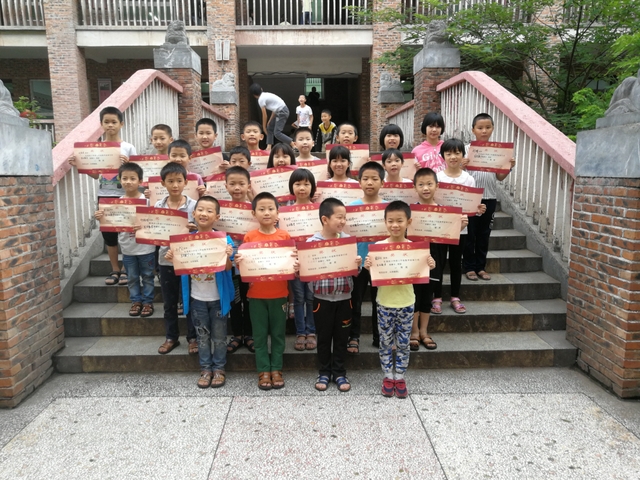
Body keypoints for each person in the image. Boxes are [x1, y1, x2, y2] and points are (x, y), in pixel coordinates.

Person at [364, 201, 436, 398]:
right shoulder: (378, 248)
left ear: (408, 222)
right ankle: (388, 375)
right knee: (385, 342)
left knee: (404, 343)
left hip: (406, 303)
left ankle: (400, 376)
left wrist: (430, 263)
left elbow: (423, 270)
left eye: (399, 221)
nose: (395, 225)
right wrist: (368, 266)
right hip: (384, 303)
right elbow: (374, 274)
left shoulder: (415, 249)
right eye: (390, 221)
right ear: (385, 222)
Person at [165, 196, 235, 389]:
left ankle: (219, 368)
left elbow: (228, 268)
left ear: (217, 216)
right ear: (194, 213)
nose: (204, 214)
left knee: (219, 337)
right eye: (201, 210)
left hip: (218, 299)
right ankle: (205, 368)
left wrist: (228, 256)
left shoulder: (224, 239)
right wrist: (172, 258)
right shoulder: (186, 241)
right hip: (197, 299)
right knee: (202, 336)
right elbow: (181, 266)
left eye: (210, 211)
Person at [235, 192, 298, 390]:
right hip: (256, 295)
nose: (267, 212)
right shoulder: (250, 237)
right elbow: (245, 267)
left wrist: (295, 264)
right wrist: (239, 262)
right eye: (261, 209)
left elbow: (291, 266)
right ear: (254, 213)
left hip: (279, 294)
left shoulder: (284, 236)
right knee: (259, 335)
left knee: (278, 334)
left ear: (278, 213)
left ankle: (276, 368)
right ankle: (263, 370)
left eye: (271, 208)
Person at [68, 106, 136, 286]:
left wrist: (128, 163)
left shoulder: (128, 147)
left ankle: (127, 269)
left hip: (126, 196)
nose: (110, 125)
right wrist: (80, 164)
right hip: (105, 196)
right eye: (107, 122)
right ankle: (115, 269)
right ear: (101, 125)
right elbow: (95, 175)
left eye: (114, 122)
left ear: (121, 124)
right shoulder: (96, 149)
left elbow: (138, 173)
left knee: (128, 234)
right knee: (109, 236)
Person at [409, 167, 468, 350]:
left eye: (429, 184)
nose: (425, 188)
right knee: (414, 296)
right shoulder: (410, 211)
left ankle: (424, 331)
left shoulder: (444, 212)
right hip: (414, 260)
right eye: (421, 184)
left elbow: (449, 237)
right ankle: (414, 332)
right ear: (414, 187)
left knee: (428, 296)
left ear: (437, 186)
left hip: (436, 259)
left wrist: (459, 227)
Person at [308, 198, 362, 392]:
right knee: (323, 337)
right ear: (325, 219)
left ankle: (339, 372)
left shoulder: (348, 241)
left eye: (345, 217)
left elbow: (356, 272)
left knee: (341, 338)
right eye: (339, 217)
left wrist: (358, 264)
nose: (343, 221)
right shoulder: (312, 244)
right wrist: (299, 267)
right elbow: (305, 273)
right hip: (321, 300)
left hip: (344, 299)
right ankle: (324, 371)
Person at [433, 139, 486, 316]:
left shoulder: (468, 179)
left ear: (463, 155)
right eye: (448, 153)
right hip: (440, 228)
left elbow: (472, 206)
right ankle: (437, 297)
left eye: (457, 153)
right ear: (442, 156)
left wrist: (478, 209)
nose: (453, 157)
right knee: (439, 263)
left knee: (456, 263)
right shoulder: (437, 178)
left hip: (461, 228)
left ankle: (455, 297)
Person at [95, 163, 155, 318]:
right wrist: (102, 217)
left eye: (132, 178)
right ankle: (136, 301)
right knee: (132, 277)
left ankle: (148, 302)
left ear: (140, 181)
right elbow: (111, 223)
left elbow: (154, 223)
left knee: (148, 276)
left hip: (146, 248)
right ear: (120, 180)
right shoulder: (116, 203)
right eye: (125, 178)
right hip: (127, 248)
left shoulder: (147, 201)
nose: (128, 182)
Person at [463, 113, 516, 282]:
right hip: (470, 199)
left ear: (492, 129)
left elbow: (499, 177)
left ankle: (480, 267)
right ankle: (469, 267)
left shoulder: (498, 152)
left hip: (489, 197)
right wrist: (462, 165)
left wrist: (508, 167)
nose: (484, 131)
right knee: (469, 234)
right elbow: (459, 174)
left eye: (487, 127)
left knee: (484, 234)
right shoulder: (466, 149)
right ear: (473, 130)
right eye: (480, 128)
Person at [155, 162, 198, 355]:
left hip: (188, 260)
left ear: (186, 182)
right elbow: (153, 230)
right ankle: (171, 337)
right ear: (163, 183)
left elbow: (204, 230)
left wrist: (194, 229)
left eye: (179, 181)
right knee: (169, 302)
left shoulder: (194, 206)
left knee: (190, 300)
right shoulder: (158, 206)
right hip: (166, 260)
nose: (175, 185)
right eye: (170, 181)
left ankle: (193, 337)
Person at [348, 161, 387, 352]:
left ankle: (379, 336)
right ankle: (353, 336)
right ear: (359, 182)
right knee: (355, 301)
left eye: (374, 179)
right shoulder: (351, 208)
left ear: (382, 182)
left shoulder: (388, 208)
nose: (370, 182)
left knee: (379, 301)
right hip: (358, 262)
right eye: (365, 179)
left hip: (382, 263)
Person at [224, 166, 254, 354]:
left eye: (241, 184)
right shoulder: (221, 211)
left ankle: (249, 334)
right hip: (230, 265)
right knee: (234, 300)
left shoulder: (255, 210)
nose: (237, 188)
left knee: (249, 300)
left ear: (248, 186)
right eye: (232, 184)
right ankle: (236, 334)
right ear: (225, 186)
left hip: (250, 265)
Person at [288, 169, 318, 351]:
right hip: (295, 262)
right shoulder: (285, 213)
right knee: (299, 298)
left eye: (307, 184)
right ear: (291, 187)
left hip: (314, 261)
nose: (302, 188)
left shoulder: (319, 210)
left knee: (311, 297)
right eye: (298, 184)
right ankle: (300, 332)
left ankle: (311, 331)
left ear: (312, 187)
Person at [249, 83, 293, 150]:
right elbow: (274, 109)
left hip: (282, 112)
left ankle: (293, 144)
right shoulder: (266, 95)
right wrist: (270, 120)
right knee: (270, 127)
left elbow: (264, 115)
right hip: (280, 111)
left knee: (277, 133)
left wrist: (263, 127)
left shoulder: (261, 99)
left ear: (254, 95)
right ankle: (269, 147)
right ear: (261, 89)